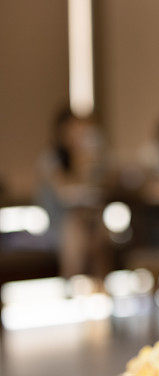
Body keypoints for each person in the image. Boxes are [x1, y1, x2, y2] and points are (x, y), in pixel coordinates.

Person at [36, 107, 109, 279]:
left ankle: (100, 287)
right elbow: (64, 195)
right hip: (57, 223)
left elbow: (94, 191)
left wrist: (84, 159)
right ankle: (70, 282)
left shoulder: (85, 156)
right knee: (75, 230)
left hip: (83, 220)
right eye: (74, 129)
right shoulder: (50, 159)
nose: (78, 134)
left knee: (101, 234)